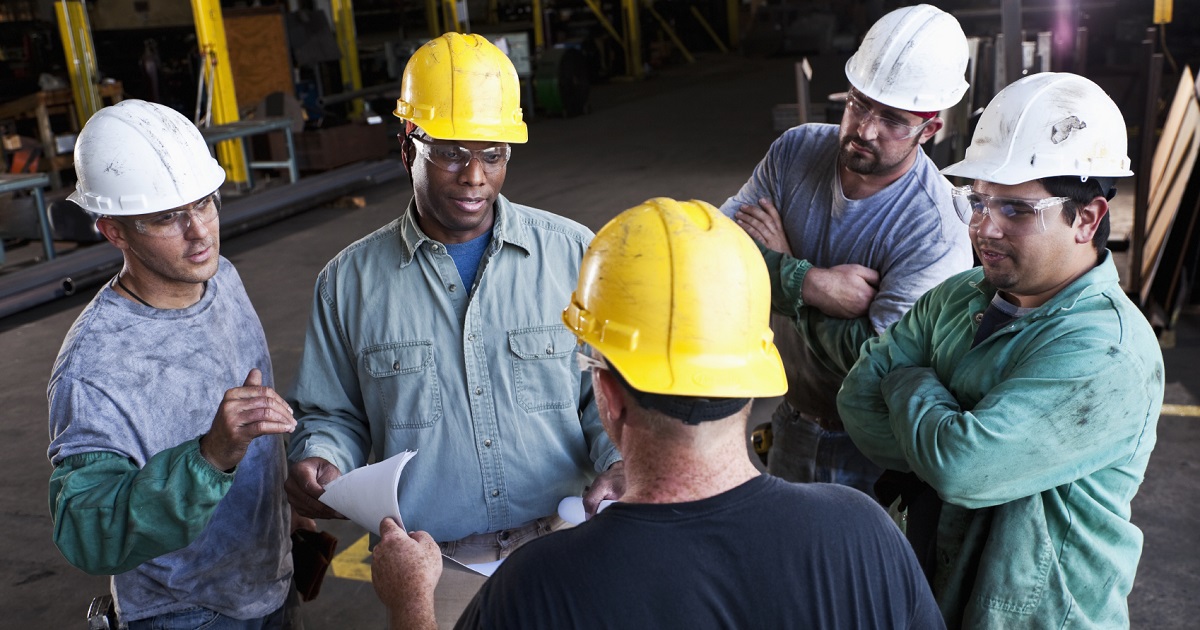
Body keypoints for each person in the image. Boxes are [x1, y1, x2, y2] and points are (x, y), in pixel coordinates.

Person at [370, 198, 946, 629]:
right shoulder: (860, 534)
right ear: (752, 377)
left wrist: (411, 602)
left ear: (609, 394)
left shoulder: (537, 587)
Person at [837, 72, 1164, 628]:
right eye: (979, 202)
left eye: (1016, 210)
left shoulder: (1107, 352)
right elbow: (855, 405)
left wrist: (909, 382)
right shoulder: (959, 295)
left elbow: (964, 469)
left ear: (1086, 218)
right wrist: (944, 438)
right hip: (934, 591)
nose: (983, 228)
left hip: (1039, 616)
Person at [285, 32, 624, 563]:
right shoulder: (347, 283)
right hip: (431, 563)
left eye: (493, 155)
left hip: (567, 544)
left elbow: (605, 392)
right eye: (449, 153)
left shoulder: (573, 253)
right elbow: (334, 415)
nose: (474, 177)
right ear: (406, 148)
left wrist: (621, 461)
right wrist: (322, 457)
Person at [46, 100, 297, 628]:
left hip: (270, 581)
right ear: (113, 230)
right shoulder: (94, 365)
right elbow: (89, 534)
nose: (200, 232)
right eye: (166, 217)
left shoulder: (221, 278)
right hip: (184, 612)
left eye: (205, 204)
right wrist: (209, 457)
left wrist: (280, 501)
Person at [720, 3, 974, 493]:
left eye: (893, 119)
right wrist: (808, 281)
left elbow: (881, 365)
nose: (865, 129)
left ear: (930, 128)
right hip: (791, 414)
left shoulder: (934, 228)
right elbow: (713, 250)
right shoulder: (795, 152)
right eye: (858, 104)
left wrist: (776, 270)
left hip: (871, 449)